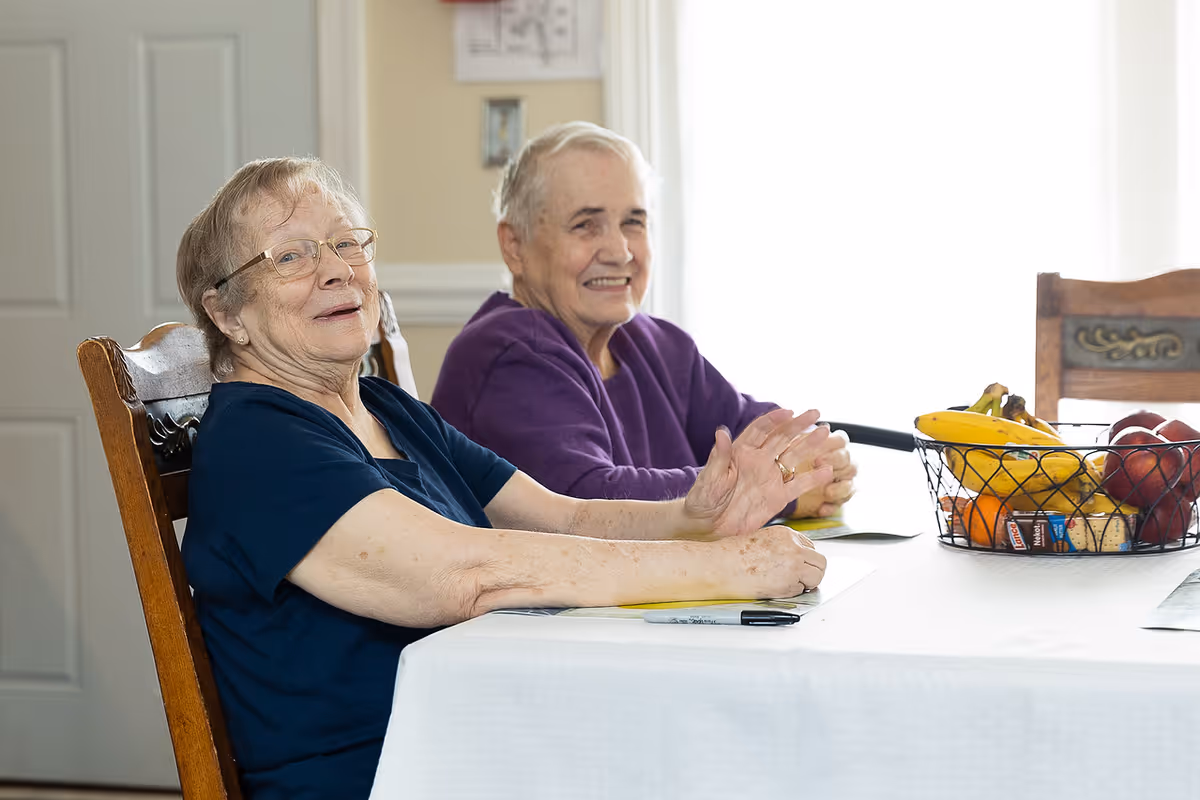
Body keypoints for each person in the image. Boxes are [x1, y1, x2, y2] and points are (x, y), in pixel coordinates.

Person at [177, 156, 837, 799]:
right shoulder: (256, 441)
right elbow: (463, 575)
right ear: (228, 314)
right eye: (290, 256)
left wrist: (695, 519)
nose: (335, 269)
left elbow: (563, 515)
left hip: (485, 739)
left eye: (348, 242)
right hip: (387, 773)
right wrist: (725, 568)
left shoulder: (385, 408)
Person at [431, 122, 857, 517]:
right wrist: (773, 487)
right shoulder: (509, 355)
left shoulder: (656, 343)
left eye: (633, 223)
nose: (620, 251)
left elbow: (754, 426)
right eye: (586, 225)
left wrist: (814, 455)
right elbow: (589, 503)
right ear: (515, 246)